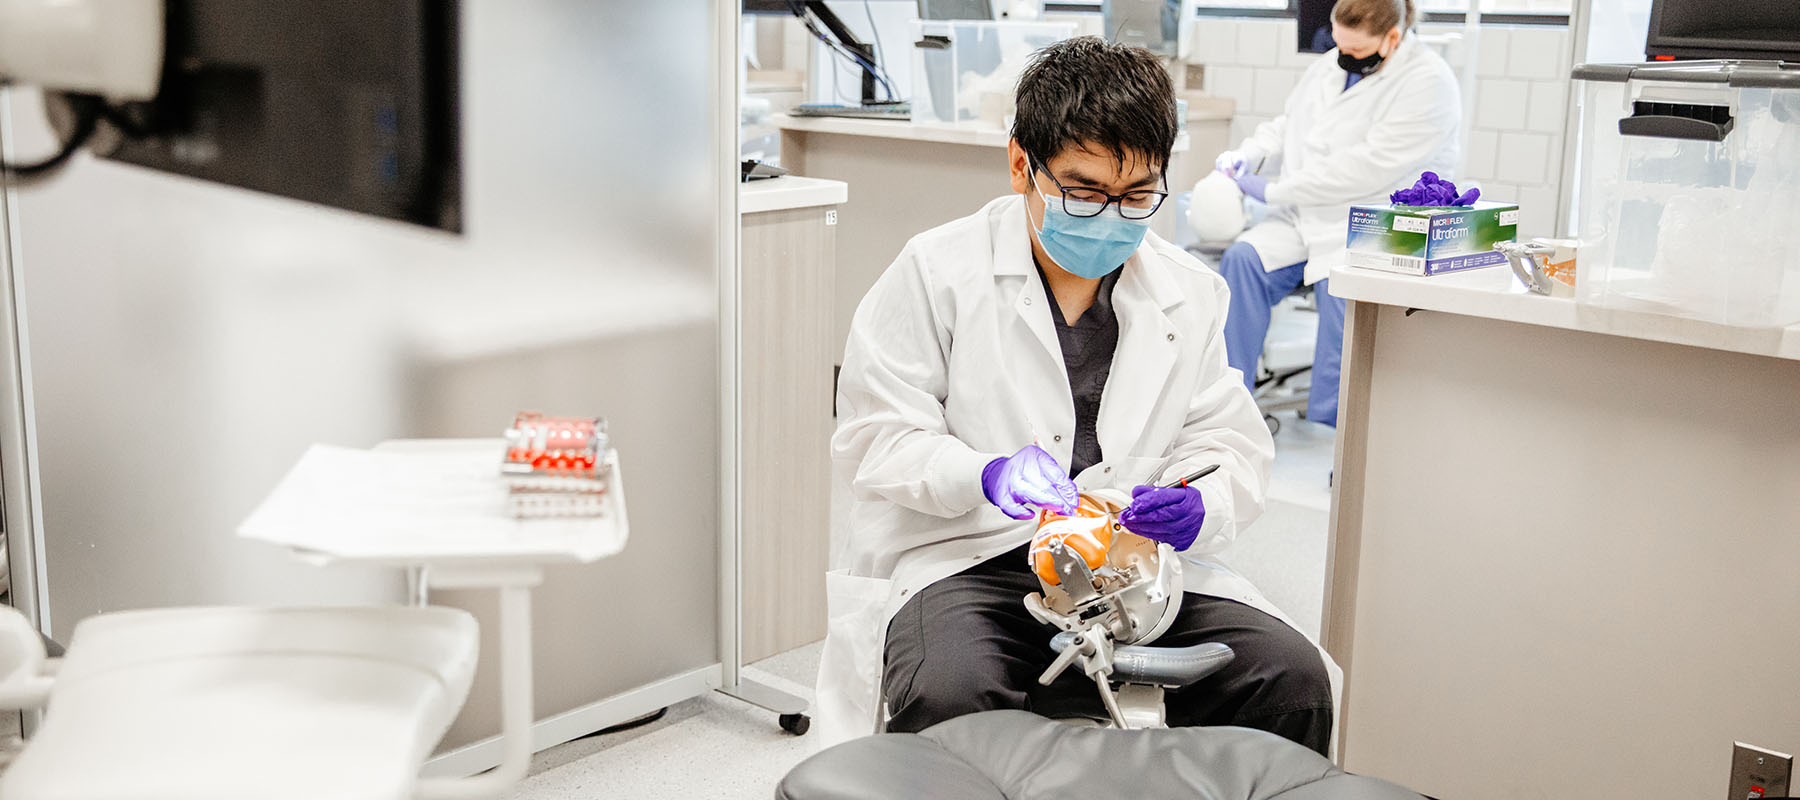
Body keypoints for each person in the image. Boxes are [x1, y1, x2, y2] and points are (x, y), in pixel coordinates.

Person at [822, 36, 1336, 755]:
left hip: (1128, 566)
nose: (1111, 217)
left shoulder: (1190, 293)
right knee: (952, 695)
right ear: (1019, 166)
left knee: (1289, 680)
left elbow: (1226, 443)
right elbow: (876, 436)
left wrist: (1200, 502)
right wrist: (985, 473)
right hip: (974, 558)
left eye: (1136, 196)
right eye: (1084, 191)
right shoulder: (937, 273)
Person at [1215, 0, 1459, 427]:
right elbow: (1288, 126)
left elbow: (1362, 169)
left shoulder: (1427, 82)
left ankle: (1333, 431)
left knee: (1339, 288)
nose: (1343, 57)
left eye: (1356, 52)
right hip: (1306, 214)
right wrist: (1250, 154)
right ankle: (1230, 409)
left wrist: (1274, 190)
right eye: (1338, 44)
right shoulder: (1329, 66)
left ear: (1393, 38)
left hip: (1371, 223)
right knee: (1242, 262)